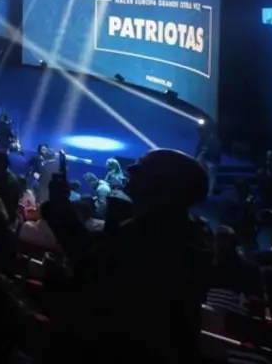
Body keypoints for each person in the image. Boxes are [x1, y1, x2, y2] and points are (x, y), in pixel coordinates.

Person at [55, 148, 212, 364]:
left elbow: (92, 270)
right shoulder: (194, 233)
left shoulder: (148, 235)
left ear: (165, 189)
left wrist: (59, 208)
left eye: (141, 172)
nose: (130, 173)